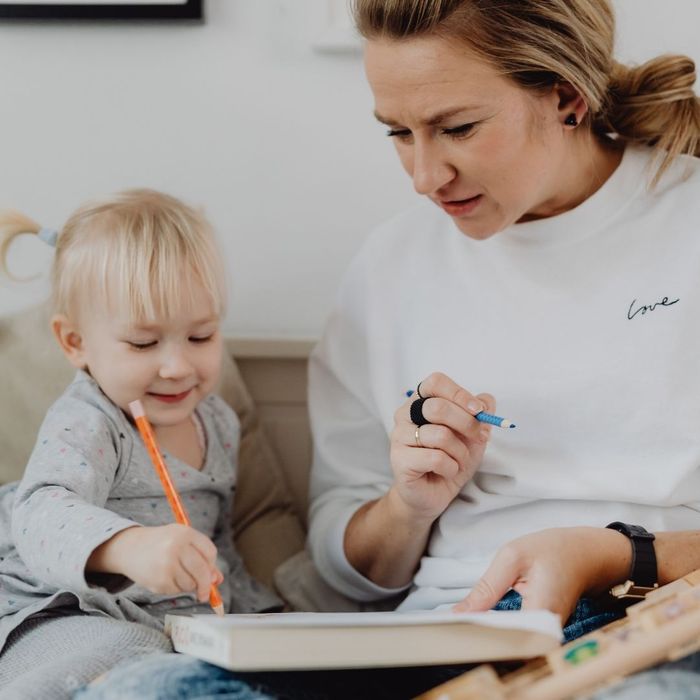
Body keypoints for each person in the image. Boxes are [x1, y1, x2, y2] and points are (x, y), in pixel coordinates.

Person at [77, 1, 700, 698]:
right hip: (446, 633)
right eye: (399, 133)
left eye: (457, 128)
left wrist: (615, 554)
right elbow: (341, 572)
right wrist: (408, 505)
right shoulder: (392, 267)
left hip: (651, 623)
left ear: (566, 96)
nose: (424, 176)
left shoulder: (684, 223)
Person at [0, 189, 279, 700]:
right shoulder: (91, 419)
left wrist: (258, 615)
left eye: (201, 337)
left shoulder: (217, 421)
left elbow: (216, 543)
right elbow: (38, 511)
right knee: (129, 653)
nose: (177, 367)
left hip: (167, 623)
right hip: (57, 608)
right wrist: (128, 546)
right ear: (74, 343)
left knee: (222, 670)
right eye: (144, 344)